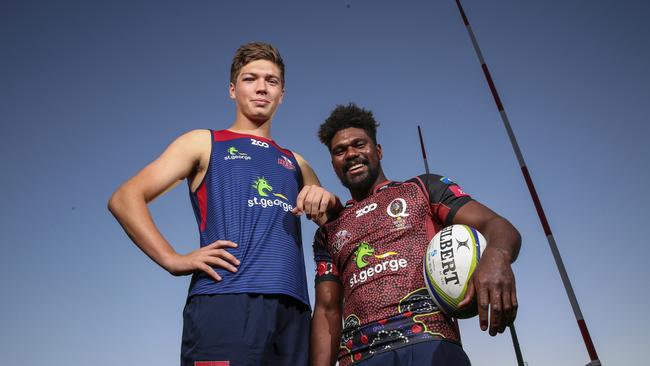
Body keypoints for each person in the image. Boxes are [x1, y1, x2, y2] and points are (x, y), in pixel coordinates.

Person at [108, 42, 338, 366]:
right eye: (250, 79)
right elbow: (125, 198)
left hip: (294, 309)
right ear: (233, 89)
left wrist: (327, 198)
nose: (261, 88)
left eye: (271, 81)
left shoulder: (296, 162)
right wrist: (172, 259)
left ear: (282, 93)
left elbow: (333, 222)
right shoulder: (203, 142)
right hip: (226, 300)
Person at [311, 103, 521, 366]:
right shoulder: (328, 231)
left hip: (430, 343)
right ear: (333, 164)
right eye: (340, 151)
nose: (351, 154)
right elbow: (326, 310)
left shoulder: (423, 188)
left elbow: (497, 225)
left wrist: (497, 256)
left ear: (378, 150)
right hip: (357, 356)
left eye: (359, 144)